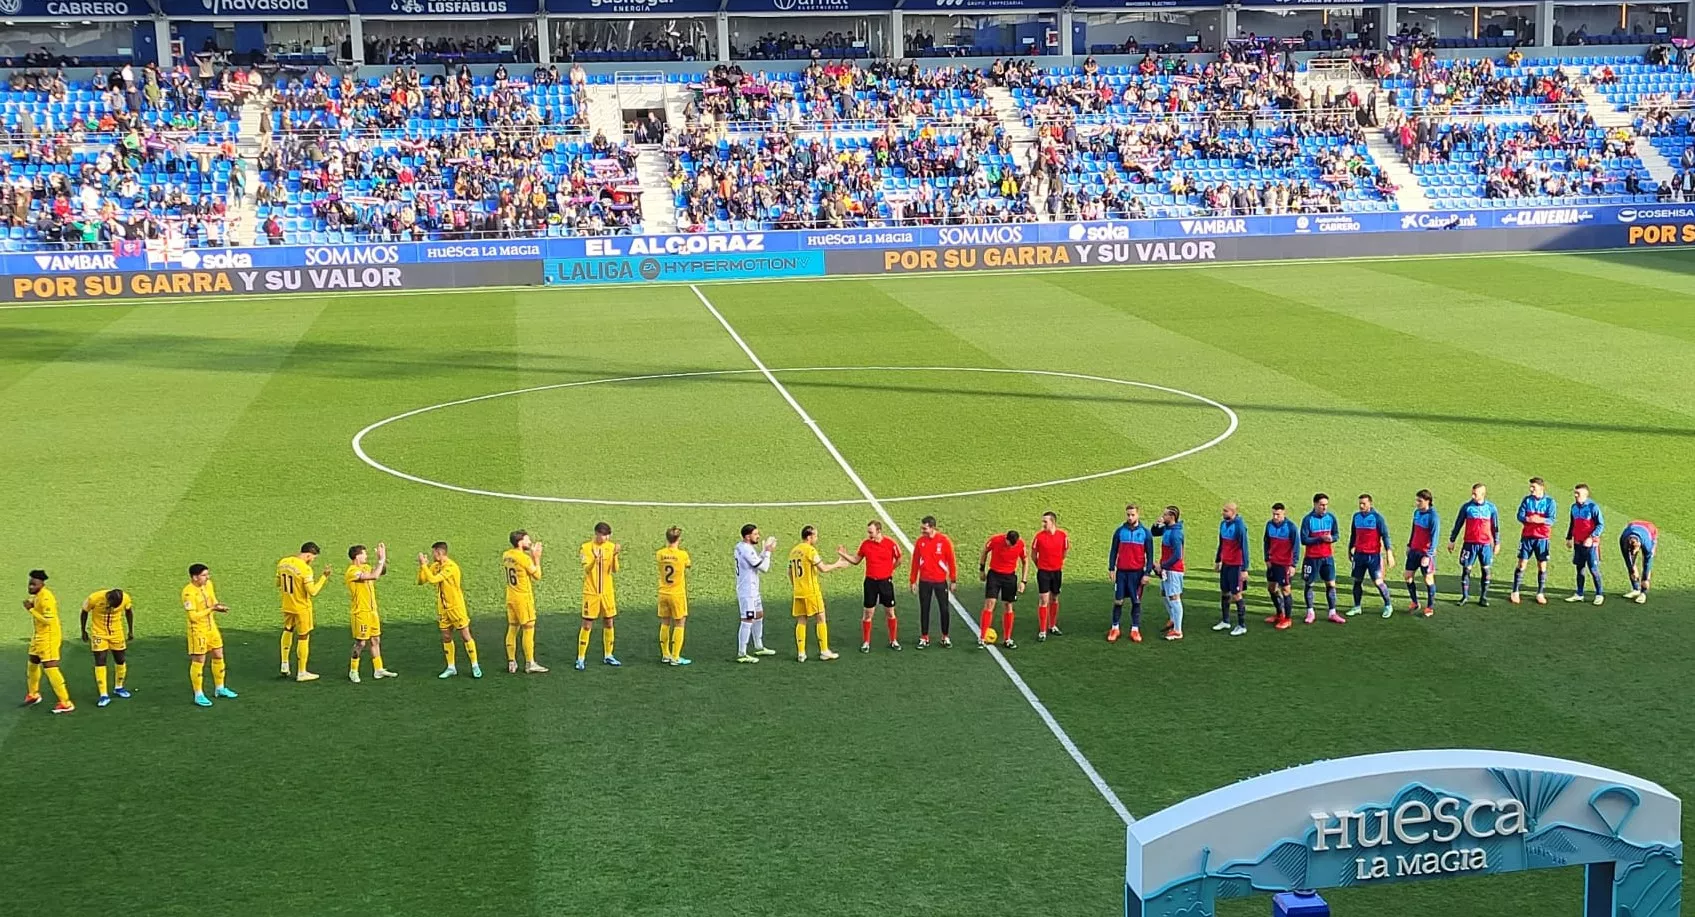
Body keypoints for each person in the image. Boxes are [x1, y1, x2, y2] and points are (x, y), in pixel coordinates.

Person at [418, 541, 482, 678]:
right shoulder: (436, 566)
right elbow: (421, 581)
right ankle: (451, 667)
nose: (432, 555)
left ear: (439, 553)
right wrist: (423, 567)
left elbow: (433, 580)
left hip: (456, 607)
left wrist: (424, 565)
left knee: (465, 635)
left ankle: (475, 665)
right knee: (446, 636)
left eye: (434, 553)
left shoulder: (451, 567)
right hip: (443, 608)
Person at [790, 525, 850, 661]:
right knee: (821, 618)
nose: (817, 538)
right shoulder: (810, 550)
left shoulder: (794, 551)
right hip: (811, 592)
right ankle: (824, 651)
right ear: (809, 537)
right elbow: (823, 568)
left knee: (801, 620)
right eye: (815, 536)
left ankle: (801, 653)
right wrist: (838, 564)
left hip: (798, 592)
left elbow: (790, 572)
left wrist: (796, 586)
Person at [276, 542, 331, 681]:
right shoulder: (305, 569)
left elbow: (278, 583)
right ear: (308, 555)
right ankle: (302, 672)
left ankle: (284, 664)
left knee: (288, 630)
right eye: (313, 558)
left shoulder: (283, 563)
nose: (312, 561)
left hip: (287, 604)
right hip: (301, 608)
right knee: (303, 637)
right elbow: (312, 591)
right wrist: (324, 577)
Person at [183, 563, 237, 706]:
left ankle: (220, 688)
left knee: (218, 655)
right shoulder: (188, 593)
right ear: (195, 577)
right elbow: (193, 617)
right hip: (197, 631)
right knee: (199, 661)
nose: (207, 577)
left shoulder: (208, 585)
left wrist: (219, 607)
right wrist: (212, 609)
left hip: (211, 628)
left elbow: (213, 601)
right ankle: (198, 694)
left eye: (207, 574)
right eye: (204, 575)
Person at [22, 570, 73, 713]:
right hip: (38, 636)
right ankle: (33, 694)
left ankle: (66, 703)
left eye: (34, 584)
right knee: (32, 663)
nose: (30, 587)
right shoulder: (38, 596)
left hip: (49, 637)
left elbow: (48, 621)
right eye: (30, 583)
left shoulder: (46, 598)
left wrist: (31, 609)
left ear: (41, 584)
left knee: (50, 668)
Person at [345, 543, 396, 683]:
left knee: (375, 640)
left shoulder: (365, 567)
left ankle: (378, 669)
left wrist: (382, 558)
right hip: (361, 613)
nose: (366, 556)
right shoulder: (352, 572)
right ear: (357, 556)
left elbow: (381, 571)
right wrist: (380, 560)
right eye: (364, 553)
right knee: (361, 643)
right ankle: (353, 670)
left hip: (372, 611)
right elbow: (374, 576)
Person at [1447, 483, 1500, 606]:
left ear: (1483, 494)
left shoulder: (1491, 508)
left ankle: (1483, 597)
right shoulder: (1467, 507)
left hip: (1485, 545)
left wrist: (1497, 542)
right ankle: (1464, 597)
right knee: (1466, 570)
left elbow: (1495, 527)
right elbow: (1458, 524)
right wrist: (1452, 540)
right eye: (1472, 493)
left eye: (1475, 494)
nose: (1472, 496)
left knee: (1486, 570)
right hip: (1469, 544)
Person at [1107, 504, 1154, 642]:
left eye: (1132, 515)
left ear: (1138, 515)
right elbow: (1113, 551)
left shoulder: (1145, 533)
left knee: (1136, 601)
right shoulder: (1119, 532)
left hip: (1137, 574)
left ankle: (1135, 629)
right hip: (1121, 573)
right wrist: (1111, 568)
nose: (1130, 517)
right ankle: (1115, 628)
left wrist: (1147, 573)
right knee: (1118, 601)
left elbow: (1150, 555)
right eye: (1128, 514)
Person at [577, 522, 621, 671]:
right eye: (603, 535)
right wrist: (594, 560)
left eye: (608, 535)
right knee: (587, 624)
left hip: (607, 592)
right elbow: (586, 569)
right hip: (591, 592)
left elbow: (615, 570)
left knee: (609, 622)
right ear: (596, 534)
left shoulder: (611, 547)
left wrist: (615, 555)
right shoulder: (586, 547)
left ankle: (608, 655)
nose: (606, 538)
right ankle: (581, 658)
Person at [502, 529, 546, 674]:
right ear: (520, 542)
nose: (530, 542)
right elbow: (537, 575)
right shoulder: (524, 559)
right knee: (528, 628)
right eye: (527, 540)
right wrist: (536, 558)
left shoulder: (506, 555)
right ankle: (530, 663)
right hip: (523, 599)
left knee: (512, 628)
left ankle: (511, 662)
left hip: (511, 597)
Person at [910, 515, 958, 648]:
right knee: (924, 609)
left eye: (924, 528)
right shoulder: (920, 542)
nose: (922, 531)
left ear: (932, 528)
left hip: (940, 581)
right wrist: (913, 580)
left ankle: (945, 636)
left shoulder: (944, 541)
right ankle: (924, 637)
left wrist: (953, 579)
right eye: (922, 528)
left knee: (944, 609)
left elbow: (951, 561)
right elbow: (915, 562)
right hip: (924, 581)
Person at [734, 524, 779, 663]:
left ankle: (759, 646)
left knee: (759, 614)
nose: (758, 536)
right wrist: (768, 552)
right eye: (755, 534)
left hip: (753, 590)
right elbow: (764, 568)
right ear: (748, 536)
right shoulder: (747, 550)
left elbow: (756, 562)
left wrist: (764, 550)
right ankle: (742, 653)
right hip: (747, 591)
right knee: (747, 619)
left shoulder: (741, 546)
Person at [80, 587, 133, 706]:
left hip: (117, 633)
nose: (112, 608)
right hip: (99, 633)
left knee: (120, 659)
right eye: (111, 605)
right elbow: (84, 612)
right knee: (100, 660)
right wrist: (83, 631)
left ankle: (119, 687)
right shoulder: (94, 598)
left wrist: (130, 631)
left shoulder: (126, 598)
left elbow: (129, 612)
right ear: (108, 598)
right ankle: (103, 695)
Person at [1347, 494, 1396, 618]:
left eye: (1364, 503)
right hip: (1359, 555)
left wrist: (1389, 553)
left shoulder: (1377, 518)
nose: (1361, 506)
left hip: (1373, 556)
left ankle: (1388, 605)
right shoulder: (1356, 517)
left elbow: (1385, 536)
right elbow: (1353, 534)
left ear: (1370, 503)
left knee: (1378, 582)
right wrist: (1350, 549)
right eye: (1360, 503)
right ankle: (1357, 607)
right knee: (1357, 581)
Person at [977, 529, 1028, 649]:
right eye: (1010, 544)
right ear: (1006, 539)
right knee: (990, 603)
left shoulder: (1020, 544)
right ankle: (982, 638)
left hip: (1009, 577)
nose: (1011, 546)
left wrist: (1023, 581)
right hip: (994, 575)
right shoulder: (995, 540)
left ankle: (1007, 639)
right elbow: (985, 551)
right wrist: (982, 570)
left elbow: (1025, 561)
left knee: (1008, 605)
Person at [1510, 477, 1557, 605]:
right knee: (1522, 564)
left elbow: (1552, 520)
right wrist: (1528, 519)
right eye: (1530, 487)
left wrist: (1539, 520)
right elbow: (1520, 516)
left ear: (1541, 488)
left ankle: (1540, 593)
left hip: (1542, 538)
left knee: (1542, 565)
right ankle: (1515, 591)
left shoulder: (1550, 502)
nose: (1531, 490)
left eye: (1533, 487)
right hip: (1527, 537)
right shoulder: (1527, 500)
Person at [1300, 494, 1345, 624]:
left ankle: (1332, 612)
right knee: (1309, 584)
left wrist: (1332, 538)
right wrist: (1320, 539)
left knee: (1331, 584)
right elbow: (1304, 540)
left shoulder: (1331, 518)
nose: (1324, 507)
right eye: (1321, 505)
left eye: (1326, 505)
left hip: (1327, 558)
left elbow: (1336, 535)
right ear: (1315, 504)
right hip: (1311, 558)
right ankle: (1310, 612)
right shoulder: (1308, 520)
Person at [656, 527, 692, 666]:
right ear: (679, 539)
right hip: (677, 594)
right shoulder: (682, 555)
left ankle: (665, 654)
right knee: (679, 623)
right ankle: (675, 657)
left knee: (665, 623)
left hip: (663, 592)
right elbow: (688, 565)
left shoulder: (660, 554)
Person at [1032, 511, 1070, 639]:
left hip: (1056, 572)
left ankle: (1052, 625)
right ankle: (1042, 631)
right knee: (1044, 600)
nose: (1043, 524)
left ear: (1052, 522)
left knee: (1054, 598)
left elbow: (1064, 552)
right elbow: (1033, 555)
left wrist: (1057, 563)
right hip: (1043, 572)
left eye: (1045, 521)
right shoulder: (1039, 537)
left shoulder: (1062, 536)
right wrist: (1040, 566)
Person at [1213, 503, 1249, 636]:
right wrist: (1218, 560)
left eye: (1226, 511)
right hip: (1226, 564)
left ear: (1233, 512)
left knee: (1236, 594)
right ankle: (1225, 621)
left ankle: (1242, 625)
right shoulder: (1223, 524)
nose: (1223, 513)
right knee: (1224, 591)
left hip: (1236, 565)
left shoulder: (1239, 526)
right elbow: (1221, 543)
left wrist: (1244, 568)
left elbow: (1244, 547)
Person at [1151, 506, 1186, 641]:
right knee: (1164, 593)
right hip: (1167, 569)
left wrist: (1162, 566)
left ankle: (1178, 630)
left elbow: (1177, 555)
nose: (1162, 516)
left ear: (1172, 517)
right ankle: (1173, 619)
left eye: (1165, 515)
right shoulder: (1167, 529)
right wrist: (1156, 524)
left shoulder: (1176, 534)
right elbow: (1154, 533)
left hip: (1173, 570)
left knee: (1174, 597)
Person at [1566, 483, 1605, 604]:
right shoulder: (1573, 507)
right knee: (1580, 569)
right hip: (1578, 543)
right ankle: (1579, 593)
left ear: (1585, 494)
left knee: (1593, 569)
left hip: (1590, 545)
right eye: (1575, 493)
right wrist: (1569, 537)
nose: (1575, 495)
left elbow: (1600, 525)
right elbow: (1572, 523)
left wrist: (1591, 537)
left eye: (1578, 493)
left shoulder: (1593, 507)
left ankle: (1599, 594)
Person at [1263, 503, 1298, 629]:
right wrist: (1267, 558)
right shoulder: (1269, 525)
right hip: (1273, 563)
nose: (1275, 517)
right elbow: (1266, 542)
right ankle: (1279, 614)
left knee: (1286, 590)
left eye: (1278, 514)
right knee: (1271, 588)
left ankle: (1287, 619)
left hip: (1284, 564)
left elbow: (1296, 546)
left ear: (1284, 513)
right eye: (1273, 514)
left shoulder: (1291, 527)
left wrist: (1293, 565)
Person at [1405, 490, 1440, 615]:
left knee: (1428, 579)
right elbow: (1414, 530)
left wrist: (1428, 555)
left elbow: (1435, 537)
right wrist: (1409, 544)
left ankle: (1430, 607)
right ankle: (1415, 602)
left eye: (1420, 501)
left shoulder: (1433, 517)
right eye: (1417, 500)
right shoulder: (1417, 513)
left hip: (1425, 553)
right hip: (1414, 551)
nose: (1417, 503)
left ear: (1428, 501)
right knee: (1408, 576)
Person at [1620, 520, 1658, 604]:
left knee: (1647, 564)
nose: (1633, 553)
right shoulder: (1623, 540)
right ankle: (1636, 589)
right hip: (1632, 526)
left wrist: (1645, 579)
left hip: (1650, 530)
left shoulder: (1647, 543)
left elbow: (1647, 562)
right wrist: (1632, 569)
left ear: (1639, 544)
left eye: (1635, 551)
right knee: (1631, 567)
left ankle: (1643, 593)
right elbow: (1627, 559)